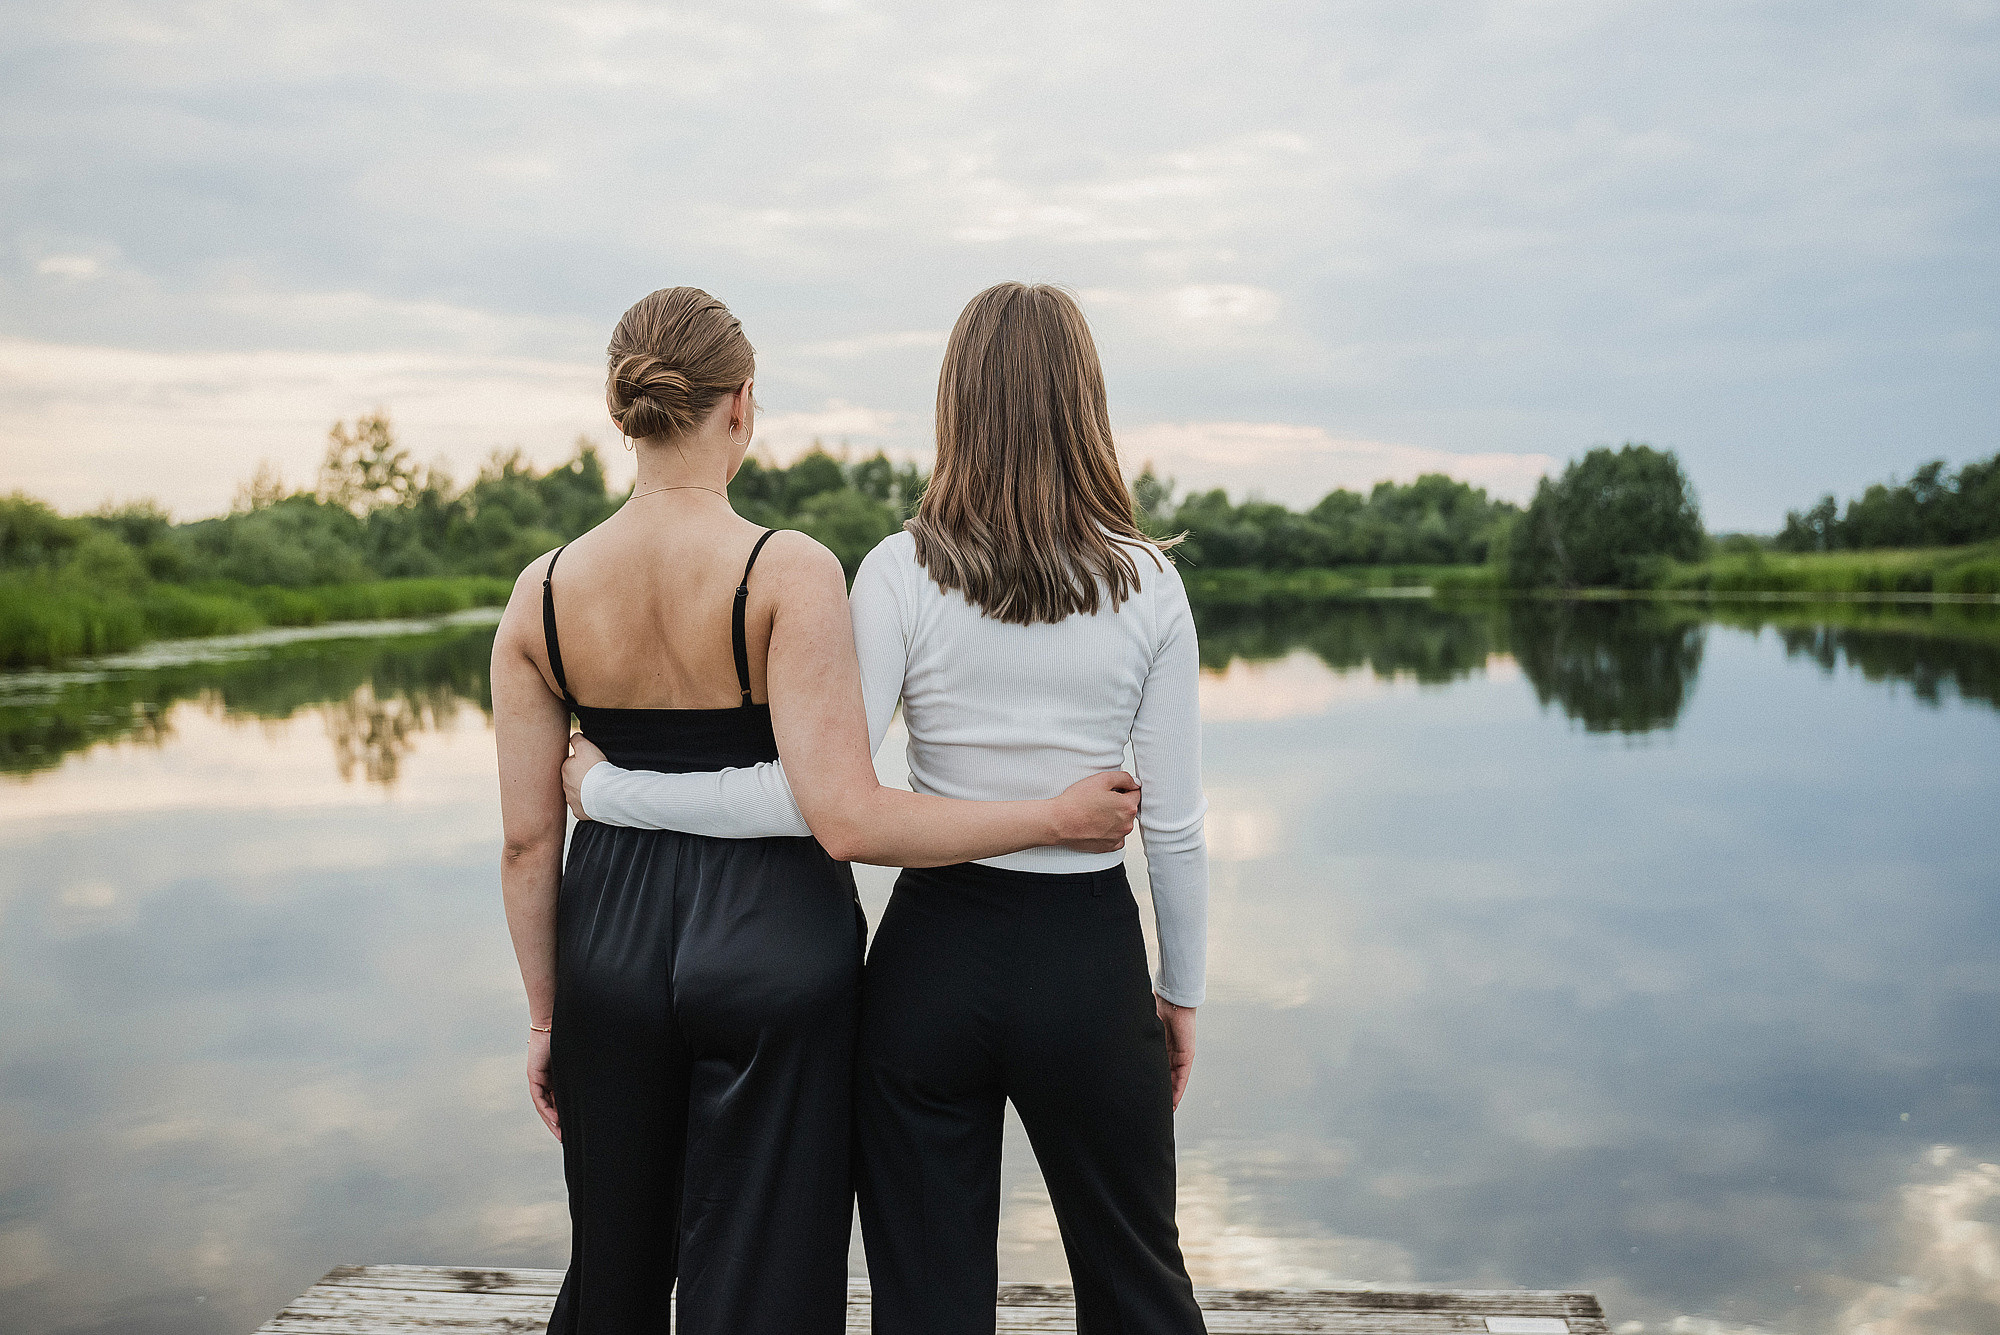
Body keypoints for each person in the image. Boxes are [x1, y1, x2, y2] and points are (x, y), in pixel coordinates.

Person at [490, 286, 1143, 1335]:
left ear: (621, 410)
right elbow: (838, 801)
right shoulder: (786, 569)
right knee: (765, 1272)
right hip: (773, 938)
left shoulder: (541, 592)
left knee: (612, 1263)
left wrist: (545, 1014)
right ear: (740, 404)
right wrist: (1052, 818)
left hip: (607, 938)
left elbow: (529, 842)